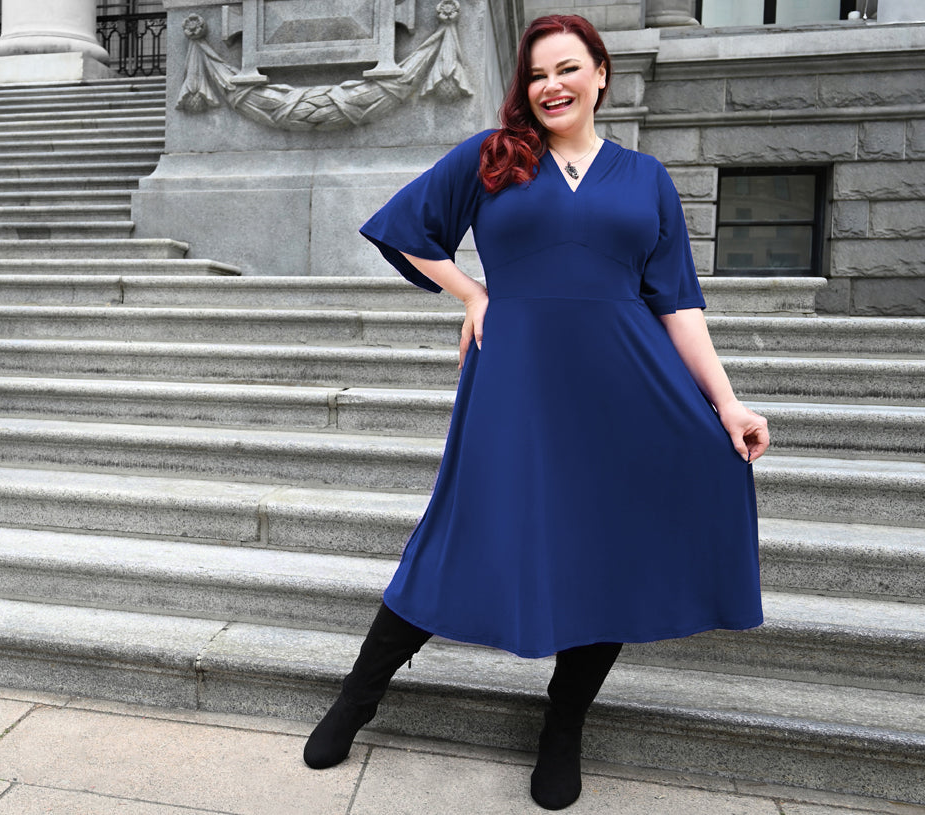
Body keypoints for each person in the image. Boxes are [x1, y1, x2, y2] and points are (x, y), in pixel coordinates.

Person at [303, 13, 772, 811]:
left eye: (566, 68)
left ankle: (562, 725)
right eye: (535, 74)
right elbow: (406, 228)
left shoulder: (646, 177)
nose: (550, 86)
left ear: (600, 74)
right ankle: (357, 695)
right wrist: (472, 292)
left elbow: (677, 303)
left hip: (626, 388)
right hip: (515, 381)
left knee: (607, 550)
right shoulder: (493, 157)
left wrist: (726, 402)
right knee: (462, 530)